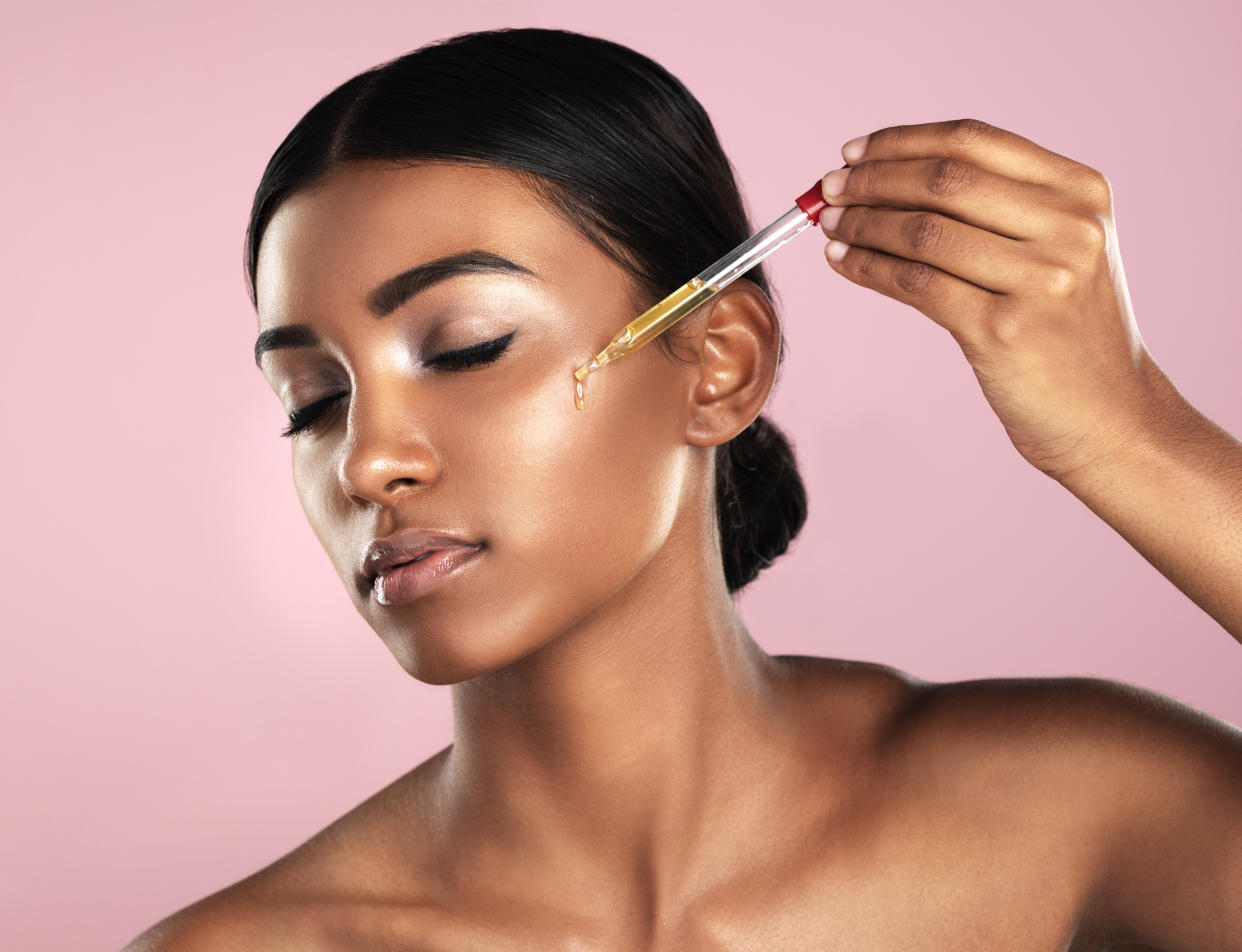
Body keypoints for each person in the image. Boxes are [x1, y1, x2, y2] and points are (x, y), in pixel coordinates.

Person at [125, 27, 1242, 952]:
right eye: (313, 397)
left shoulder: (1075, 820)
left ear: (720, 365)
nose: (369, 461)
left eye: (465, 346)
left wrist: (1132, 437)